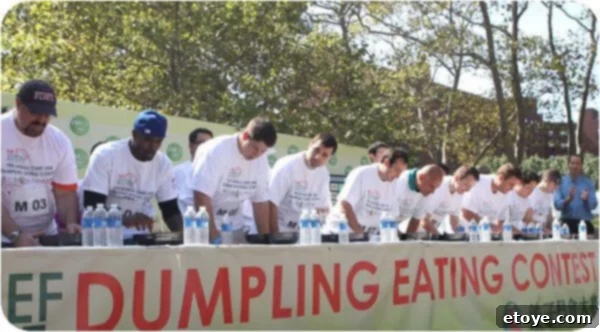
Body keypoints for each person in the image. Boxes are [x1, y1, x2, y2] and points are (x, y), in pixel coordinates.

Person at [2, 80, 80, 247]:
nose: (42, 120)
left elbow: (65, 193)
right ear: (18, 104)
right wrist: (16, 235)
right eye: (36, 112)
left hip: (46, 235)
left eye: (47, 114)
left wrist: (70, 223)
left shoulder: (59, 141)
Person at [81, 110, 183, 237]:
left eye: (158, 141)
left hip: (140, 239)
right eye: (147, 140)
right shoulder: (106, 155)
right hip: (102, 238)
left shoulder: (163, 164)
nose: (152, 146)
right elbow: (92, 206)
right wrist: (124, 219)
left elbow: (170, 209)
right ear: (134, 135)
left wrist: (185, 237)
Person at [191, 116, 277, 243]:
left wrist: (265, 239)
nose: (257, 155)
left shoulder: (261, 160)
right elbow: (201, 196)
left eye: (263, 151)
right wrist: (214, 238)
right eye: (255, 148)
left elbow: (260, 202)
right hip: (204, 228)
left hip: (235, 226)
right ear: (246, 136)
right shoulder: (216, 150)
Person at [324, 148, 409, 235]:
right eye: (397, 170)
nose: (398, 175)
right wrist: (359, 233)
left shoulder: (397, 183)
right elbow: (345, 204)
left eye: (402, 172)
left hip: (371, 236)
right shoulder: (362, 173)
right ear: (386, 162)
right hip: (341, 232)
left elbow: (392, 216)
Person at [269, 133, 337, 232]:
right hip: (280, 230)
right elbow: (271, 203)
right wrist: (275, 237)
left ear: (330, 157)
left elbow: (323, 208)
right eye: (316, 150)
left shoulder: (323, 173)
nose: (318, 157)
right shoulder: (287, 166)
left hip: (306, 233)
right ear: (310, 145)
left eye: (325, 155)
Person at [462, 163, 522, 232]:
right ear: (501, 178)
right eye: (511, 184)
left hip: (488, 236)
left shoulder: (508, 194)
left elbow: (501, 221)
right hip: (466, 234)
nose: (512, 189)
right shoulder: (477, 183)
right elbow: (466, 213)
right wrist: (491, 227)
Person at [421, 166, 480, 234]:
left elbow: (454, 221)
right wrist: (440, 237)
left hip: (433, 230)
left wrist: (462, 235)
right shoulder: (438, 188)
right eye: (466, 185)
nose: (467, 190)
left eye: (470, 187)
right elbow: (423, 221)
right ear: (456, 178)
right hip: (417, 231)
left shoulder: (460, 192)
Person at [554, 155, 597, 235]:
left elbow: (594, 205)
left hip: (585, 224)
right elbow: (557, 205)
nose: (575, 166)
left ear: (581, 166)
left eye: (578, 163)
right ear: (568, 165)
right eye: (572, 163)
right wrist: (567, 200)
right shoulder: (561, 182)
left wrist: (586, 199)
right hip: (566, 224)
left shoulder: (588, 182)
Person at [174, 128, 213, 214]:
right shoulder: (179, 171)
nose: (207, 147)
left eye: (210, 144)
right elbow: (186, 199)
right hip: (189, 224)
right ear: (191, 146)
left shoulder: (217, 171)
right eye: (202, 143)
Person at [396, 165, 445, 234]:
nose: (433, 192)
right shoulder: (399, 180)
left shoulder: (425, 193)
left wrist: (409, 239)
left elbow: (416, 220)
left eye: (436, 188)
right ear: (421, 177)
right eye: (431, 186)